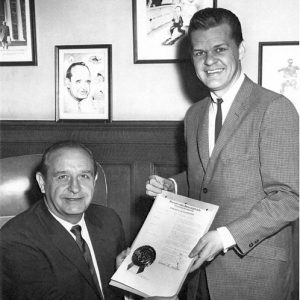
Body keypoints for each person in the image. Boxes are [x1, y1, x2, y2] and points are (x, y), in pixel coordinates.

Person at [146, 8, 299, 300]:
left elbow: (290, 198)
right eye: (199, 53)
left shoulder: (274, 109)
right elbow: (205, 178)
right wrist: (173, 186)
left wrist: (225, 237)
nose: (209, 61)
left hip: (254, 278)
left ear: (240, 49)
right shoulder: (194, 115)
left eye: (219, 49)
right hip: (197, 272)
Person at [0, 141, 126, 299]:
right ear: (42, 183)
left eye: (84, 176)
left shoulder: (109, 220)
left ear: (94, 180)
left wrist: (124, 283)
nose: (75, 188)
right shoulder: (16, 241)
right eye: (63, 177)